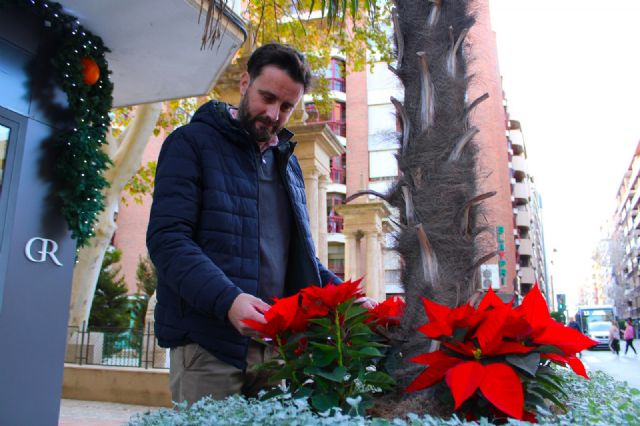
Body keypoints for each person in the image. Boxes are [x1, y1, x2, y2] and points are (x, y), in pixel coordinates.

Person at [147, 44, 367, 405]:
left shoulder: (289, 165)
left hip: (276, 350)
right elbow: (168, 242)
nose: (272, 113)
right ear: (245, 81)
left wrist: (353, 300)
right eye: (266, 97)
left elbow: (300, 261)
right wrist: (229, 301)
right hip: (208, 346)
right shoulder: (190, 144)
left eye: (286, 106)